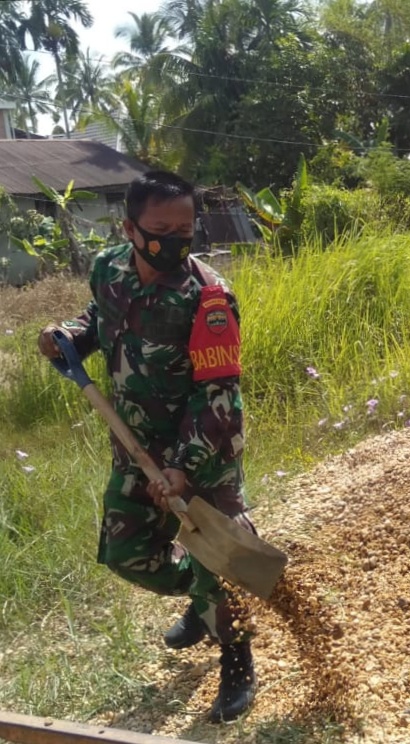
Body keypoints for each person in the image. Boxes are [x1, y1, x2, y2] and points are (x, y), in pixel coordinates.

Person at [38, 170, 258, 724]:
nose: (175, 240)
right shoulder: (108, 268)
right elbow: (100, 320)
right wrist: (68, 336)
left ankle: (237, 658)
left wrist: (182, 469)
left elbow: (218, 396)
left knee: (217, 555)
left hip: (203, 453)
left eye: (186, 228)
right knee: (127, 554)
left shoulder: (207, 297)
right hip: (134, 444)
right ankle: (203, 599)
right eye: (162, 229)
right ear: (130, 228)